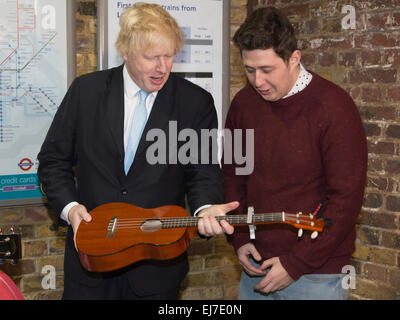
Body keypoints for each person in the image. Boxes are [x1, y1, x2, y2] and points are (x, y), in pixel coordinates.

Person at [38, 3, 236, 300]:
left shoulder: (195, 103)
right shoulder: (86, 92)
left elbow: (203, 172)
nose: (162, 67)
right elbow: (53, 162)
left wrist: (205, 207)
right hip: (91, 266)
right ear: (126, 52)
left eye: (168, 56)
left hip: (156, 272)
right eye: (151, 57)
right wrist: (70, 208)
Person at [222, 6, 367, 300]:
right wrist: (237, 238)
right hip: (256, 266)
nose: (258, 81)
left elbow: (346, 200)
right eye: (249, 70)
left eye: (267, 70)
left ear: (294, 59)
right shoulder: (243, 104)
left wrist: (294, 264)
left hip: (316, 275)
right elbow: (232, 175)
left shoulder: (334, 107)